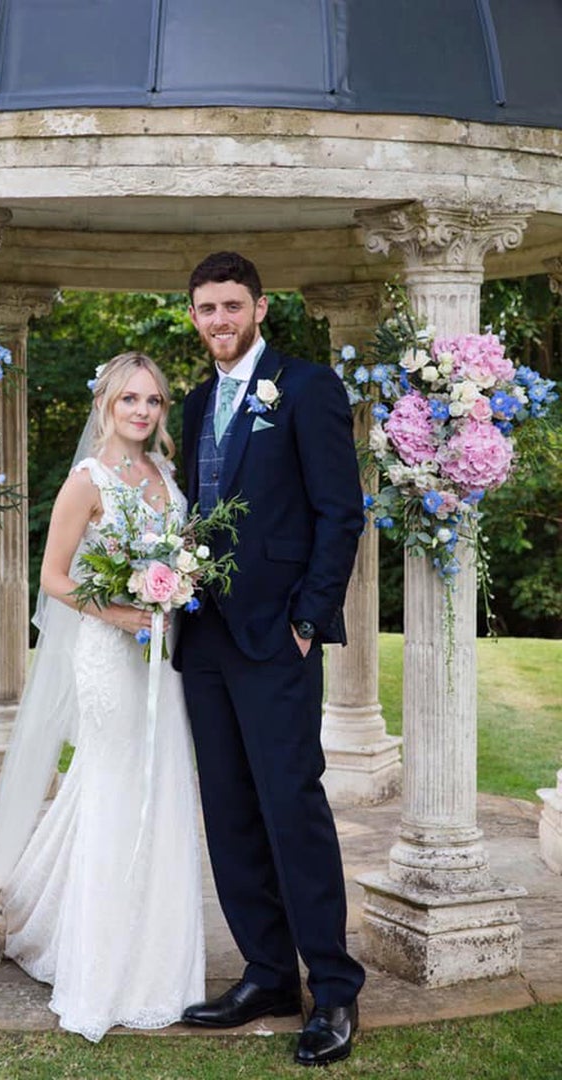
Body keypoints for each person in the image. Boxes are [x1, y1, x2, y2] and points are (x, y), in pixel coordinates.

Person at [0, 352, 204, 1043]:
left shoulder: (166, 474)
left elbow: (182, 551)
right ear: (106, 403)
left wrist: (176, 585)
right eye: (130, 399)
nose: (143, 411)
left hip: (161, 657)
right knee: (113, 786)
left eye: (155, 401)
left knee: (162, 785)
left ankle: (158, 957)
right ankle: (102, 966)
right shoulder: (87, 480)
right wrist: (122, 611)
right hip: (109, 655)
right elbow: (52, 577)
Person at [176, 252, 366, 1067]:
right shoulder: (189, 406)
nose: (219, 320)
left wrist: (310, 617)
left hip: (277, 635)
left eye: (231, 306)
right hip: (204, 636)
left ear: (260, 307)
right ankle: (266, 973)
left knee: (292, 807)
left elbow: (339, 512)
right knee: (229, 810)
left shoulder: (308, 386)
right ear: (193, 317)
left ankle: (332, 987)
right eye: (206, 309)